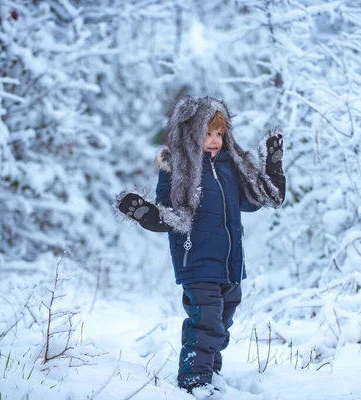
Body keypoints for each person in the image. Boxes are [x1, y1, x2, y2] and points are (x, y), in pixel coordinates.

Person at [115, 96, 285, 395]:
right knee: (205, 322)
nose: (214, 139)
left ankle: (210, 374)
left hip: (231, 262)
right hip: (197, 259)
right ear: (191, 133)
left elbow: (257, 202)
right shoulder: (178, 167)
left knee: (221, 323)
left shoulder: (231, 167)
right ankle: (195, 383)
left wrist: (272, 165)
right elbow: (171, 216)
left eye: (219, 133)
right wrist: (146, 213)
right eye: (207, 133)